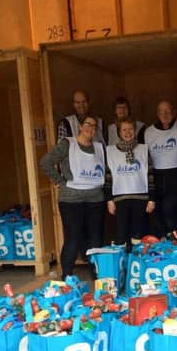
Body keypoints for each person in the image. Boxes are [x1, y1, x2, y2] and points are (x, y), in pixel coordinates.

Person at [40, 115, 106, 278]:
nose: (90, 128)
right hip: (71, 199)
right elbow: (46, 161)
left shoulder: (99, 147)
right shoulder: (67, 144)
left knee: (95, 237)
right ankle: (67, 275)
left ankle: (96, 273)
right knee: (73, 237)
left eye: (94, 126)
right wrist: (59, 181)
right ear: (80, 127)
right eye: (87, 124)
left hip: (95, 198)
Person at [105, 117, 155, 248]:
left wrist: (152, 199)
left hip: (141, 198)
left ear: (135, 130)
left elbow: (150, 175)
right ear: (119, 132)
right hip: (120, 199)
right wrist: (109, 200)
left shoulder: (143, 149)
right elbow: (108, 178)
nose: (128, 132)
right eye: (124, 129)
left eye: (131, 129)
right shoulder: (110, 151)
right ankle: (123, 265)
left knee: (138, 234)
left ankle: (136, 264)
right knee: (121, 234)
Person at [144, 100, 177, 237]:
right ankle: (164, 242)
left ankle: (176, 241)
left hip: (175, 176)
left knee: (169, 210)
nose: (165, 114)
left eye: (168, 111)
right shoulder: (148, 132)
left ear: (174, 112)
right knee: (158, 213)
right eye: (161, 112)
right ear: (157, 114)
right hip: (156, 177)